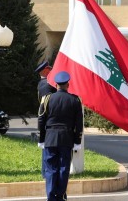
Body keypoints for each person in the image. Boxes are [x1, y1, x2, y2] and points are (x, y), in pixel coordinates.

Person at [37, 71, 83, 201]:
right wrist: (77, 141)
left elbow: (41, 120)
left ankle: (51, 197)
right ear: (67, 85)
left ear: (56, 85)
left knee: (51, 168)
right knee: (64, 167)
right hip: (66, 138)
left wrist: (41, 139)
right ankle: (61, 195)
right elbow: (78, 123)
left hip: (50, 138)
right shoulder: (75, 100)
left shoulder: (47, 99)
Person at [35, 61, 57, 179]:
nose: (51, 71)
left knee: (47, 146)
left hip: (47, 119)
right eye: (49, 69)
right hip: (49, 119)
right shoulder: (47, 84)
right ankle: (46, 173)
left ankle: (46, 172)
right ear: (44, 71)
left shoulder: (43, 83)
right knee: (48, 148)